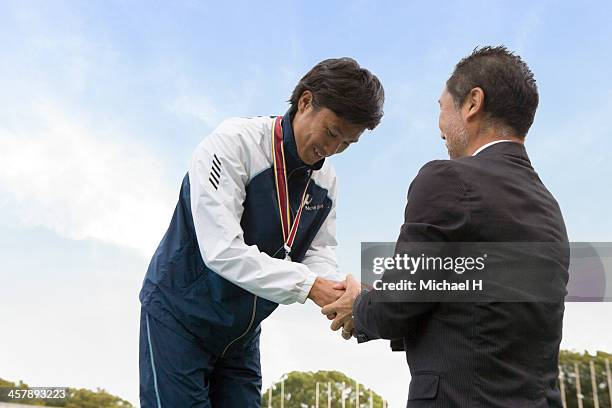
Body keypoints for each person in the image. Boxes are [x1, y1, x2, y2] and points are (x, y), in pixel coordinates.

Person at [324, 46, 569, 407]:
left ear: (472, 103)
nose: (440, 125)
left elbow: (398, 304)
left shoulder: (448, 179)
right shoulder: (550, 209)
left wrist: (359, 304)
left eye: (442, 107)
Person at [138, 57, 384, 407]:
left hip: (240, 335)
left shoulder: (327, 180)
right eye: (331, 132)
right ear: (305, 102)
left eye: (347, 143)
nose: (332, 150)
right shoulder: (233, 143)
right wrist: (310, 287)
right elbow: (221, 249)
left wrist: (341, 289)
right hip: (180, 320)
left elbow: (317, 251)